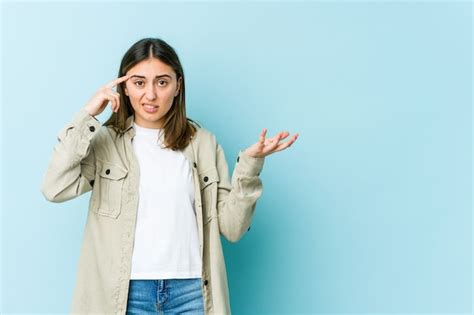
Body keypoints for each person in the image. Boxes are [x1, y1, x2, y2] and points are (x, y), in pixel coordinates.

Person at [40, 37, 299, 315]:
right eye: (139, 82)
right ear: (124, 87)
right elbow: (55, 187)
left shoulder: (203, 143)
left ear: (178, 86)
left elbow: (232, 228)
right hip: (125, 294)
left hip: (191, 294)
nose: (150, 95)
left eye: (162, 82)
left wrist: (250, 165)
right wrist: (87, 115)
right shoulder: (107, 141)